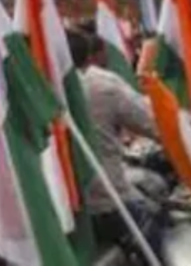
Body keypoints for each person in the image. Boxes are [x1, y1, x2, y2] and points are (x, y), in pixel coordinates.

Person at [70, 30, 163, 254]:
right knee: (158, 227)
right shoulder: (101, 84)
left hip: (53, 215)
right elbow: (154, 123)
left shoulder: (24, 94)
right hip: (106, 204)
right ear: (89, 56)